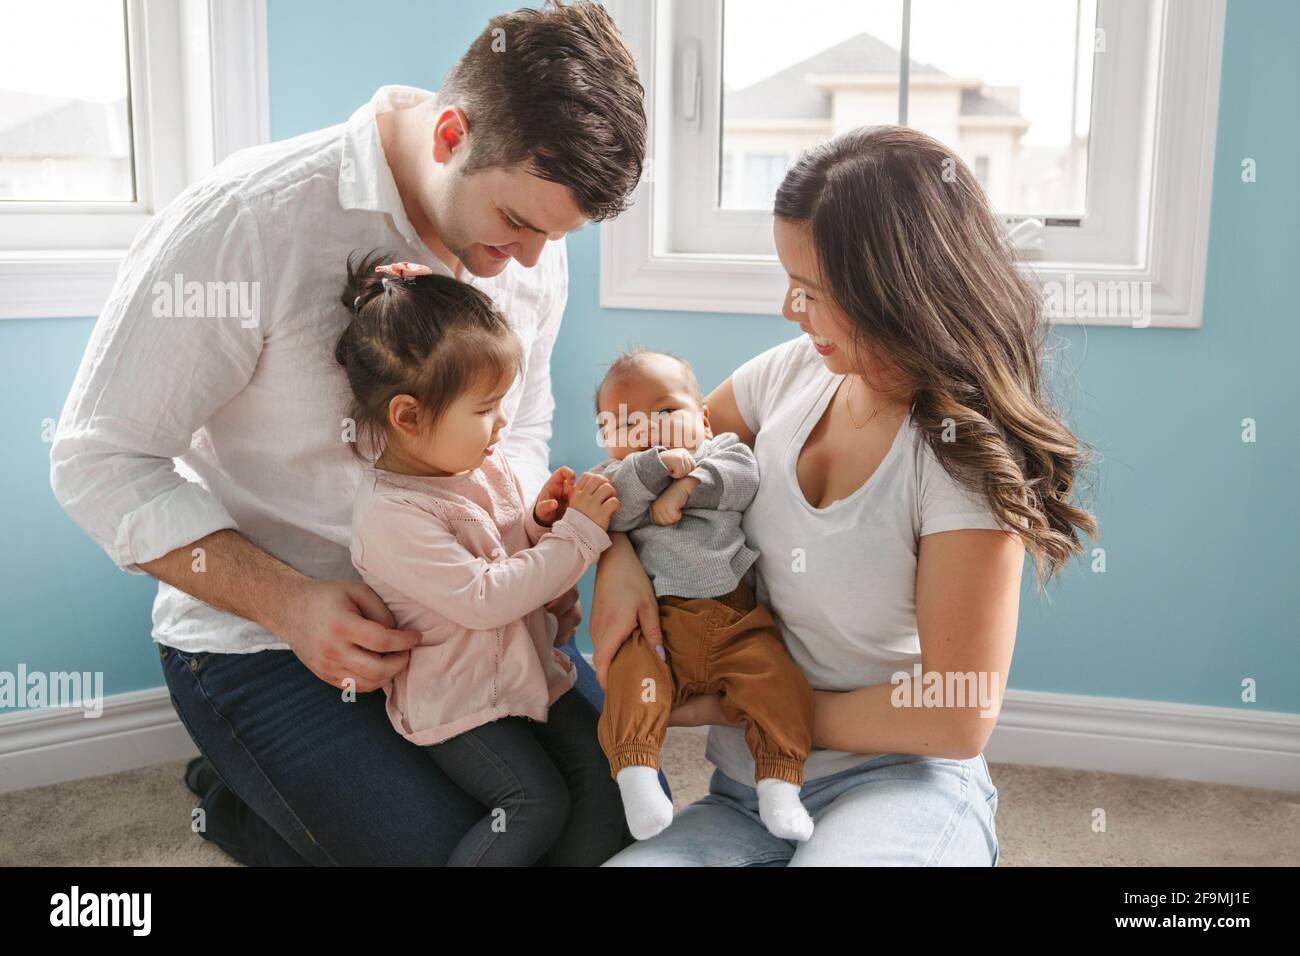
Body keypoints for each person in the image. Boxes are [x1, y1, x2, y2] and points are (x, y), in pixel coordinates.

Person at [49, 1, 647, 866]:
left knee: (613, 826)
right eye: (518, 224)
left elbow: (524, 423)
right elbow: (97, 462)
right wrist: (289, 603)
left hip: (463, 624)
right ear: (450, 134)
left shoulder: (529, 242)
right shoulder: (248, 223)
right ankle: (245, 807)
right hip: (266, 642)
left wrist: (522, 531)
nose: (528, 261)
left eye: (552, 239)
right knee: (450, 851)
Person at [596, 126, 1097, 866]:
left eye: (813, 292)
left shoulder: (960, 459)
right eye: (789, 281)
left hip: (901, 785)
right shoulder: (789, 375)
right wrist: (617, 562)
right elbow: (642, 468)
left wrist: (761, 711)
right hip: (746, 795)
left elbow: (958, 714)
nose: (790, 311)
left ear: (896, 294)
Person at [341, 256, 624, 866]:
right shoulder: (390, 517)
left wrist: (539, 523)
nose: (501, 423)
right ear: (408, 417)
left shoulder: (477, 466)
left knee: (609, 772)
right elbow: (486, 596)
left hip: (530, 671)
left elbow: (502, 546)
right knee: (532, 803)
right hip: (463, 704)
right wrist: (576, 536)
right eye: (484, 409)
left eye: (502, 403)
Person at [588, 350, 814, 842]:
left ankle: (778, 781)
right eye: (629, 424)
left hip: (734, 621)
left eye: (668, 412)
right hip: (657, 631)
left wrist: (688, 485)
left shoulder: (723, 450)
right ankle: (637, 773)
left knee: (775, 682)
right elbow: (613, 512)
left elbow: (743, 478)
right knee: (631, 683)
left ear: (703, 419)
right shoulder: (615, 474)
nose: (651, 429)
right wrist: (652, 469)